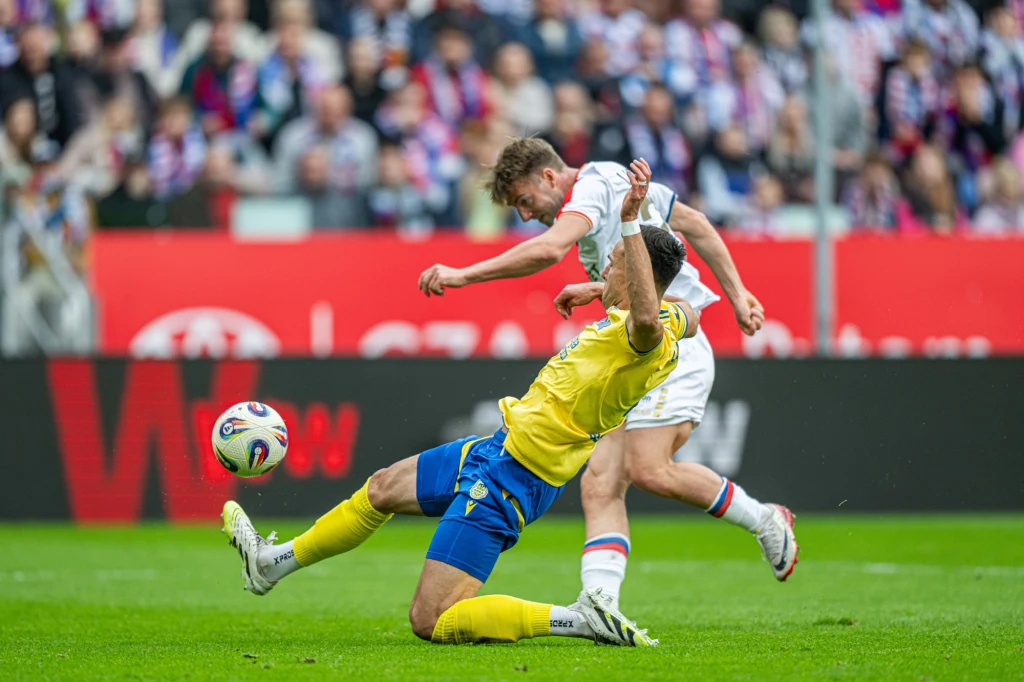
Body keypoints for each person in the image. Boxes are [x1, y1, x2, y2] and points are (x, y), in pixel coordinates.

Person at [223, 159, 689, 646]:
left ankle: (578, 618)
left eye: (614, 261)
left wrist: (631, 221)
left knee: (433, 620)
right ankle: (271, 565)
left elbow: (647, 318)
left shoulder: (645, 337)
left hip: (515, 474)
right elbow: (686, 313)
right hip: (498, 450)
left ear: (640, 278)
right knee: (382, 489)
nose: (606, 265)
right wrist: (601, 287)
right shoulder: (670, 320)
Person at [417, 138, 797, 612]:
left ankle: (765, 519)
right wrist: (735, 295)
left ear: (549, 177)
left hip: (670, 344)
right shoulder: (615, 179)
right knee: (600, 483)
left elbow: (550, 250)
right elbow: (694, 224)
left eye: (525, 201)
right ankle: (600, 604)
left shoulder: (592, 189)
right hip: (631, 350)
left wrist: (464, 275)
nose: (526, 215)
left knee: (648, 467)